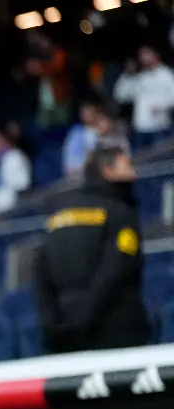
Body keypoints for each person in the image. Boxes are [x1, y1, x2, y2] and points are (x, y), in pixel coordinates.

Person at [34, 144, 152, 353]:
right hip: (116, 330)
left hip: (63, 333)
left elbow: (40, 274)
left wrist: (52, 322)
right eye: (127, 166)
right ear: (108, 172)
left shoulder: (58, 216)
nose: (135, 173)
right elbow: (116, 270)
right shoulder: (121, 213)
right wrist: (84, 316)